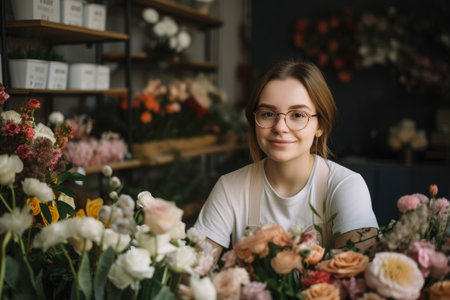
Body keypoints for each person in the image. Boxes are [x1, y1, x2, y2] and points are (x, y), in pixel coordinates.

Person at [194, 60, 379, 260]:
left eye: (298, 114)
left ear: (321, 125)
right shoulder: (230, 188)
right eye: (268, 114)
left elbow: (357, 274)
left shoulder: (346, 185)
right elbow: (191, 273)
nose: (280, 127)